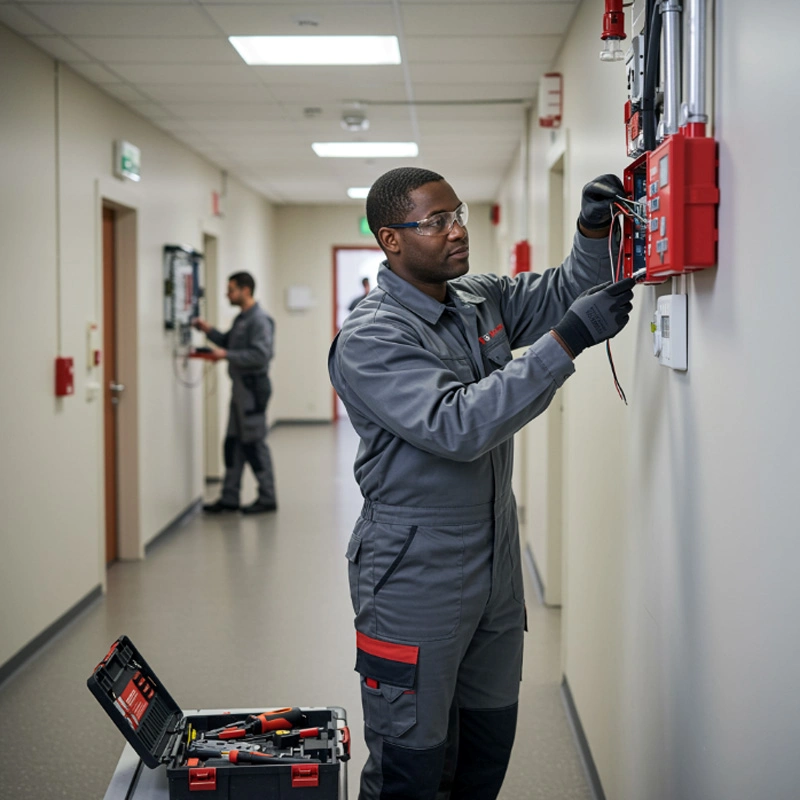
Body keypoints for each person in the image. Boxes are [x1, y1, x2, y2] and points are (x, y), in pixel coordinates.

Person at [328, 167, 635, 800]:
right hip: (414, 569)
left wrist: (593, 229)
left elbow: (570, 288)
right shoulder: (373, 336)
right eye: (434, 222)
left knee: (485, 750)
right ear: (390, 238)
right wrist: (568, 341)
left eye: (457, 213)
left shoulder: (477, 298)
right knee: (411, 766)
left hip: (495, 561)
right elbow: (458, 424)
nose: (456, 230)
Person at [193, 271, 277, 515]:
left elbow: (262, 355)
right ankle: (229, 497)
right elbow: (228, 342)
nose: (227, 294)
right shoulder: (242, 319)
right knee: (233, 443)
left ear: (245, 290)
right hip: (240, 389)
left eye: (231, 289)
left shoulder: (259, 320)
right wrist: (207, 330)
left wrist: (227, 356)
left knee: (253, 444)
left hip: (253, 389)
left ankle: (268, 497)